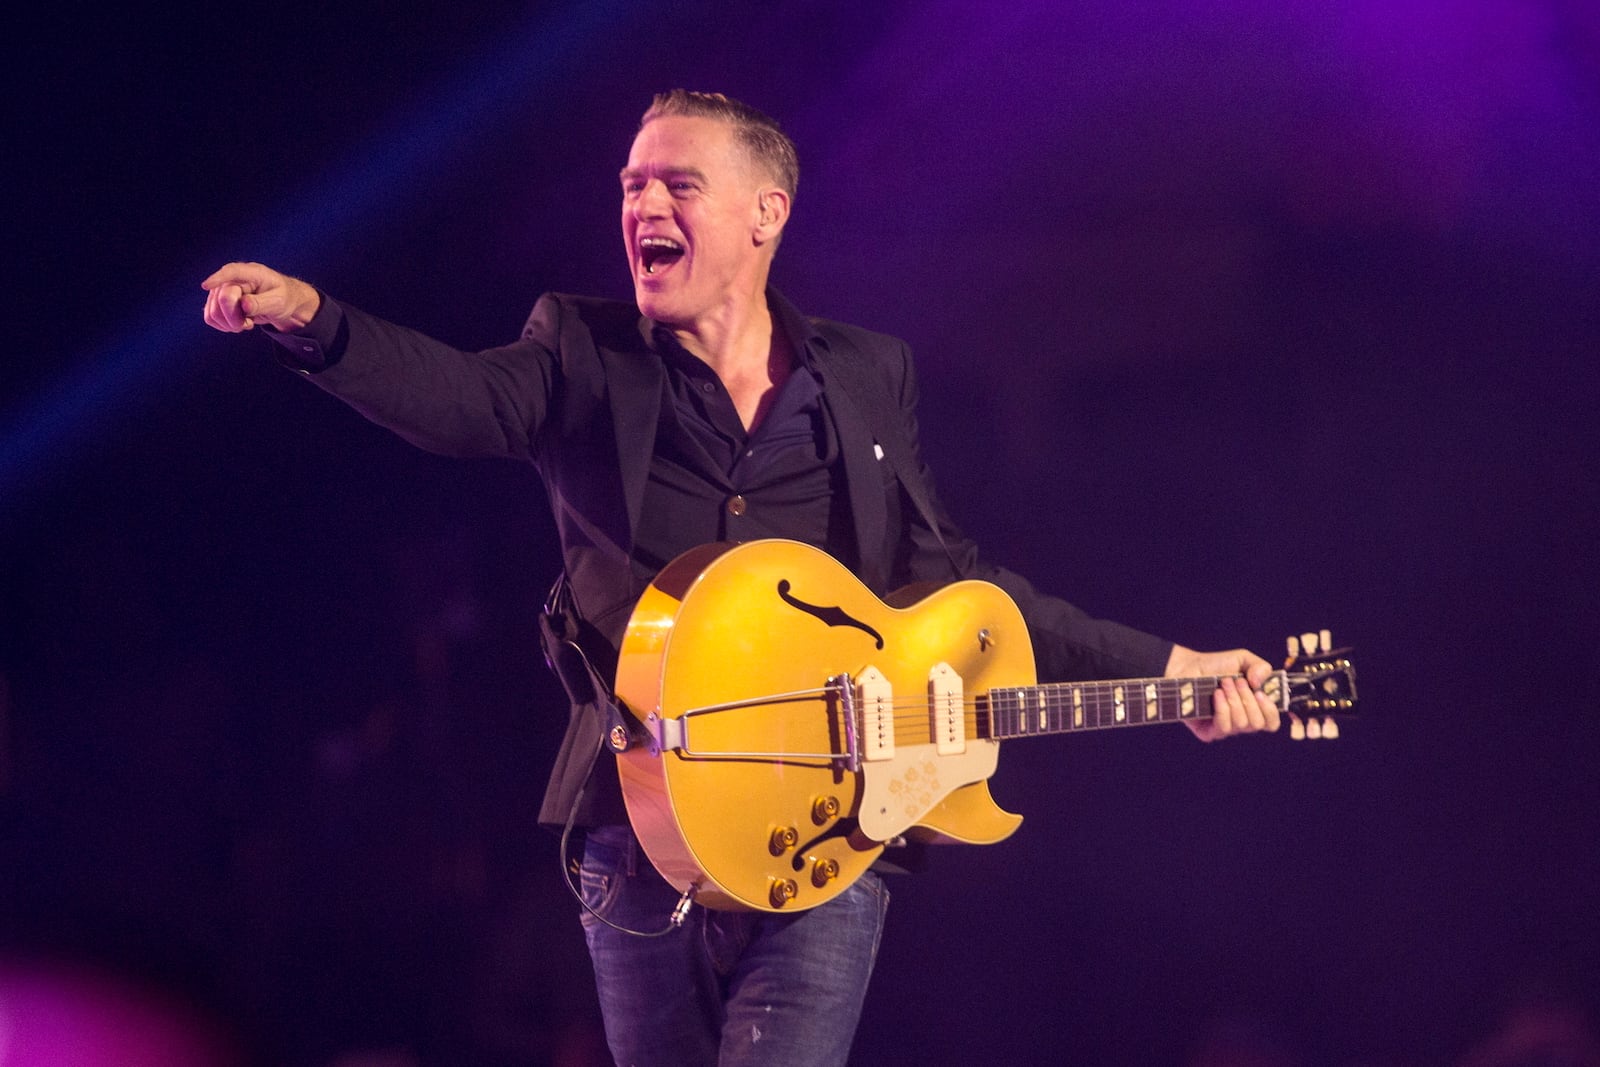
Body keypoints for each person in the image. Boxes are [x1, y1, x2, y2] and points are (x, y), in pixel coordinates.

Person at [202, 89, 1282, 1067]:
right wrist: (317, 321)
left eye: (678, 182)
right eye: (631, 185)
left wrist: (1177, 667)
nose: (642, 205)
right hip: (643, 831)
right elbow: (456, 399)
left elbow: (958, 587)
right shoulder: (581, 350)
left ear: (765, 213)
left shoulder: (863, 376)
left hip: (830, 830)